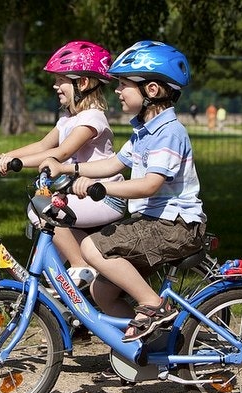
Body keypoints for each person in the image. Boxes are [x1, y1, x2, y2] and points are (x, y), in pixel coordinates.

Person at [39, 40, 206, 352]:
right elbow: (115, 163)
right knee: (103, 293)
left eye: (125, 85)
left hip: (175, 226)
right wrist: (71, 169)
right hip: (154, 223)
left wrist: (100, 188)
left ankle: (153, 305)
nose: (117, 90)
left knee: (91, 246)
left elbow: (148, 186)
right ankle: (157, 349)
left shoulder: (168, 133)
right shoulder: (144, 131)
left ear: (151, 90)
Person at [0, 40, 126, 289]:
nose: (55, 85)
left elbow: (61, 152)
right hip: (81, 197)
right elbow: (42, 146)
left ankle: (81, 264)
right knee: (51, 269)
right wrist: (3, 156)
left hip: (104, 197)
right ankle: (72, 313)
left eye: (61, 80)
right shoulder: (69, 119)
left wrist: (14, 164)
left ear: (82, 83)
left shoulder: (92, 119)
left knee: (42, 209)